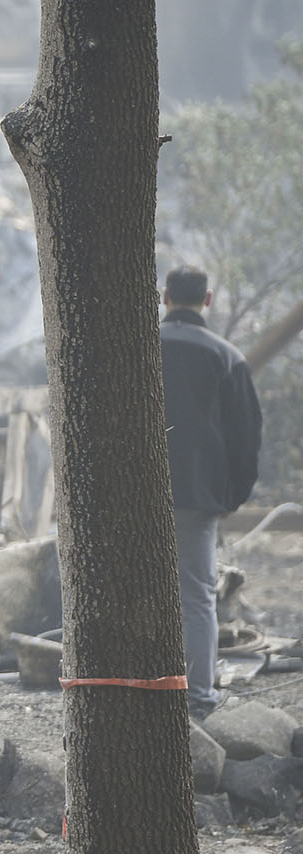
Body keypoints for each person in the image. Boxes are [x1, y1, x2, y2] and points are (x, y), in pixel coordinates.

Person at [160, 265, 262, 719]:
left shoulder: (136, 348)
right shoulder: (226, 356)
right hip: (197, 497)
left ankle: (139, 692)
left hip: (131, 494)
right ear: (208, 299)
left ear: (164, 298)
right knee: (197, 595)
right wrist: (232, 496)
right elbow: (247, 435)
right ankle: (198, 697)